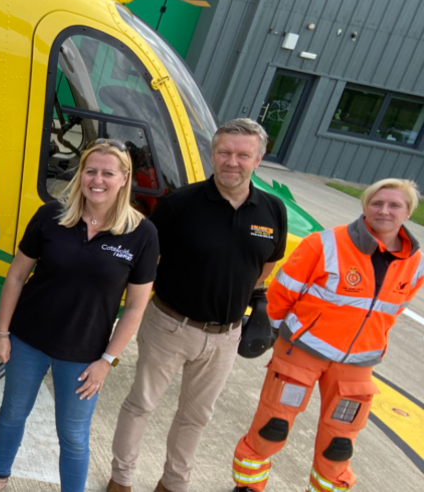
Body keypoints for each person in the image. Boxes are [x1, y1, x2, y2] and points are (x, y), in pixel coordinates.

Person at [108, 118, 288, 492]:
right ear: (212, 154)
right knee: (141, 404)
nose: (232, 162)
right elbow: (146, 263)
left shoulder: (273, 211)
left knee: (196, 416)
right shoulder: (179, 205)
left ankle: (173, 484)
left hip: (225, 336)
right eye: (224, 152)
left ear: (259, 158)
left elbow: (266, 264)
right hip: (169, 326)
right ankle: (121, 480)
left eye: (243, 155)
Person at [0, 139, 158, 492]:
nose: (97, 180)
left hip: (85, 353)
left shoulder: (142, 234)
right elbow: (16, 275)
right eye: (91, 171)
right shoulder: (51, 216)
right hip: (29, 339)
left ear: (124, 178)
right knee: (12, 415)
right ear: (81, 174)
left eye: (107, 173)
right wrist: (2, 331)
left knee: (72, 434)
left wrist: (107, 360)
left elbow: (135, 307)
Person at [230, 179, 423, 492]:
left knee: (340, 442)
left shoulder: (415, 263)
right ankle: (248, 486)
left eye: (394, 205)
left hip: (358, 364)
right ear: (365, 206)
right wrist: (283, 333)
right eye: (377, 203)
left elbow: (393, 311)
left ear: (407, 213)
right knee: (273, 426)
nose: (384, 211)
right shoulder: (325, 244)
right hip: (302, 353)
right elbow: (281, 293)